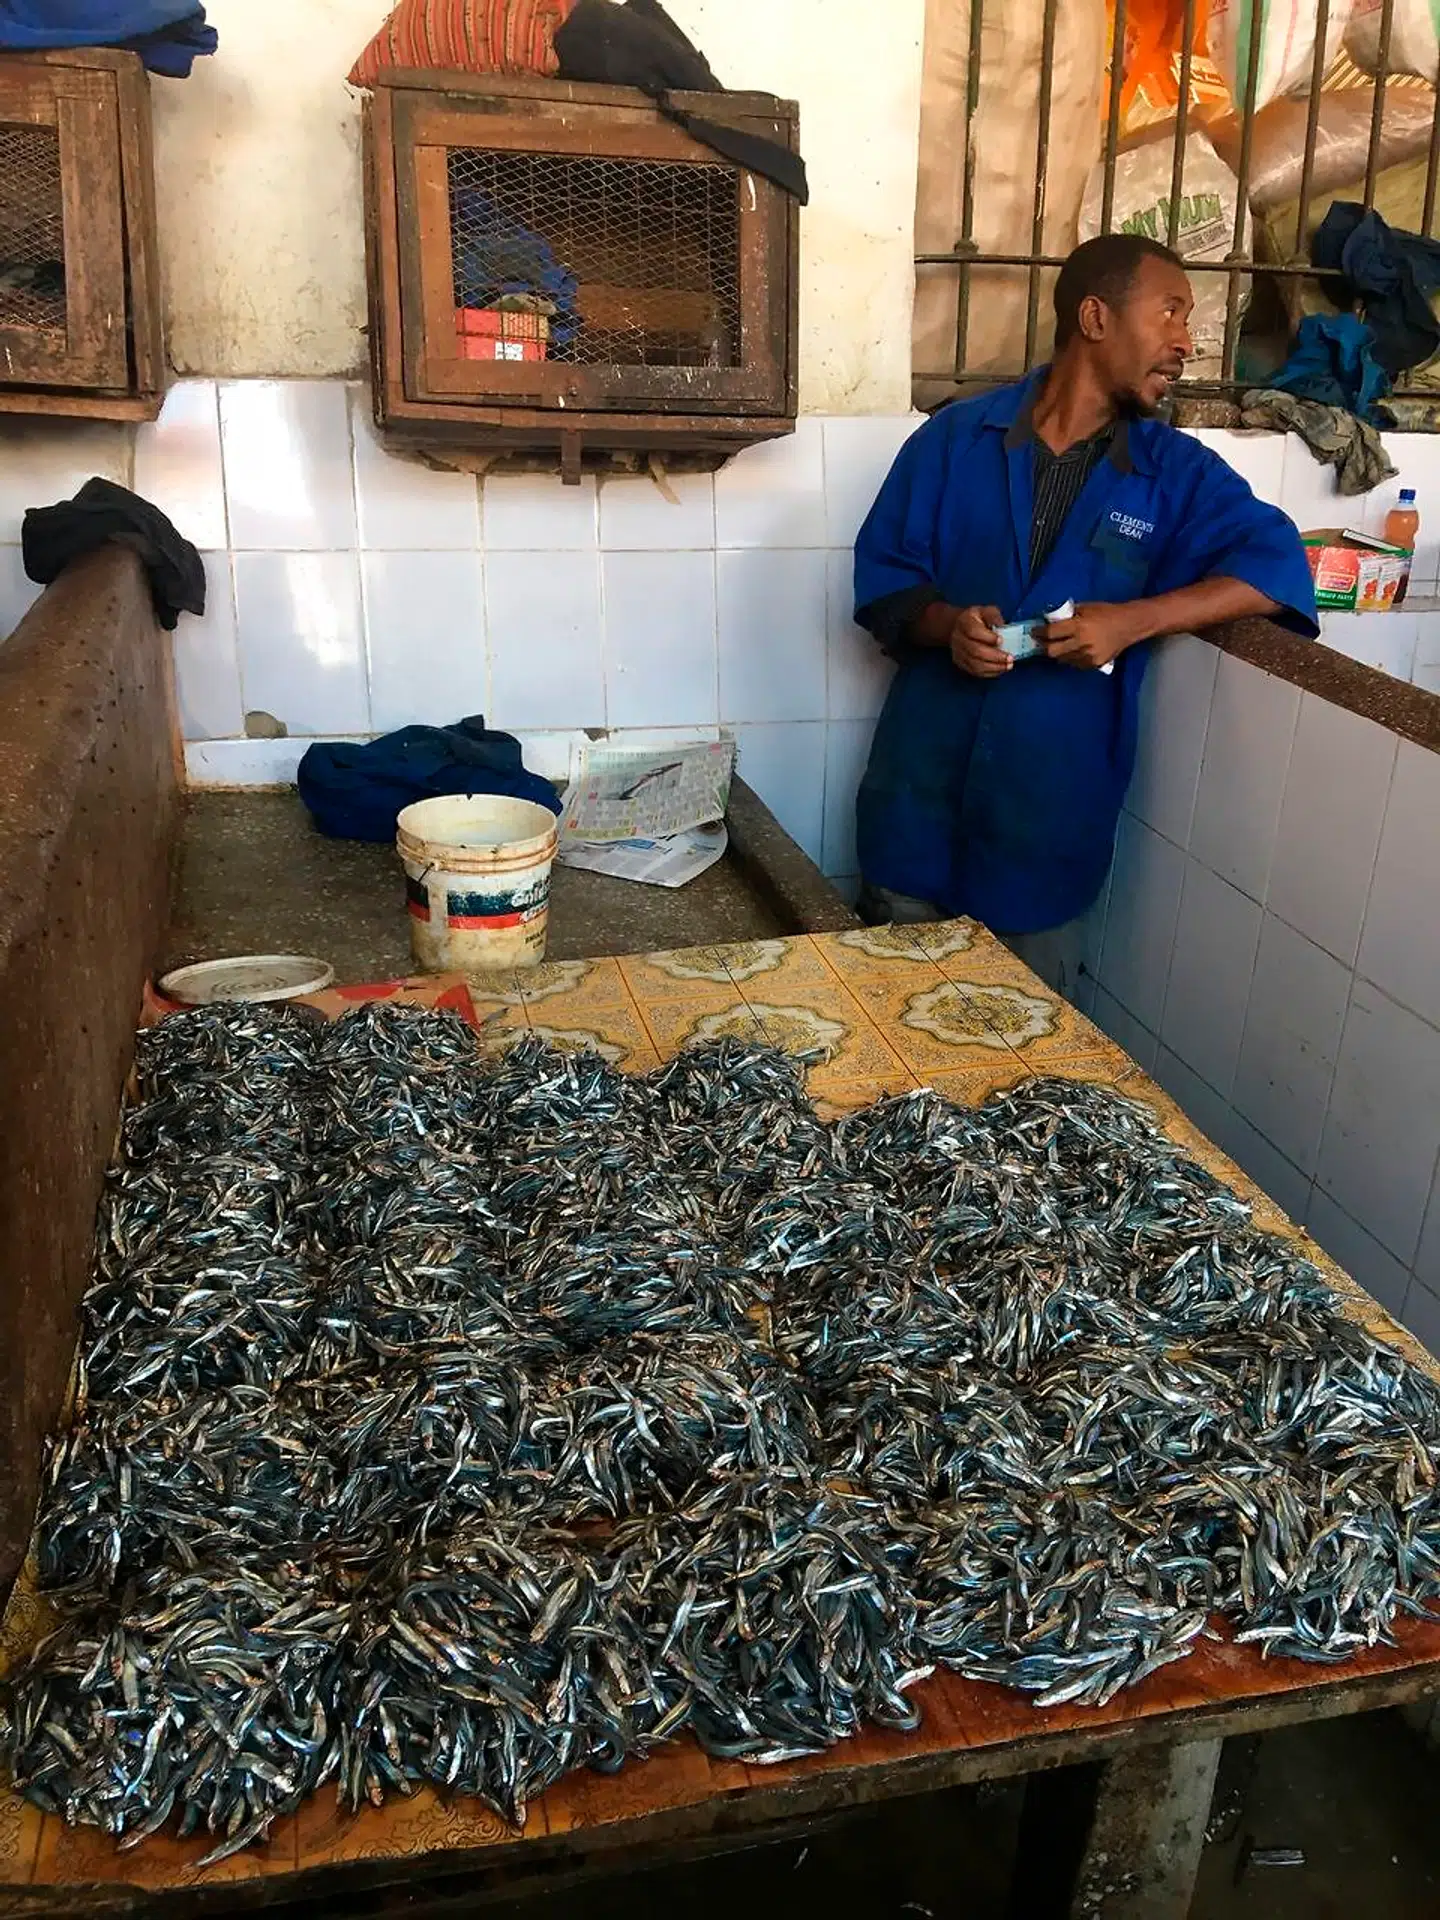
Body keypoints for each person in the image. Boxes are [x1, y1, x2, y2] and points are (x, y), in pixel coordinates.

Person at [852, 233, 1318, 975]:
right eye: (1169, 313)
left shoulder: (1177, 474)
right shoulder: (953, 440)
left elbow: (1278, 567)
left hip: (1045, 829)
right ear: (1096, 318)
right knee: (889, 1046)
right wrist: (948, 629)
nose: (1184, 343)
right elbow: (885, 580)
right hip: (917, 808)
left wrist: (1134, 621)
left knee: (1031, 1067)